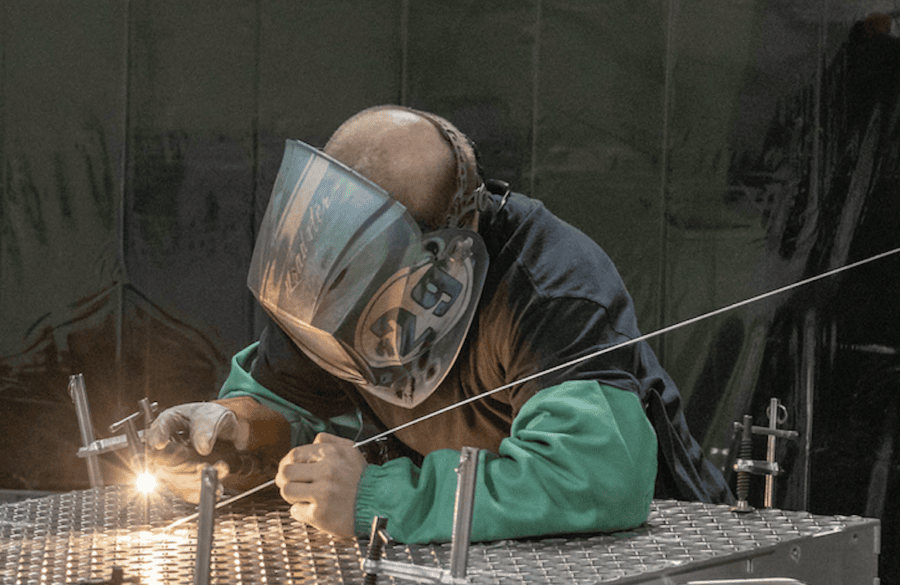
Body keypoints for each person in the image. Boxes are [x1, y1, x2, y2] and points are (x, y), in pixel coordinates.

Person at [146, 105, 731, 545]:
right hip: (486, 568)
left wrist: (378, 498)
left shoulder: (550, 287)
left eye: (370, 278)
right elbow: (286, 396)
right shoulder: (329, 272)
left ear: (452, 243)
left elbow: (594, 478)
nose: (347, 303)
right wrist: (235, 430)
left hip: (661, 581)